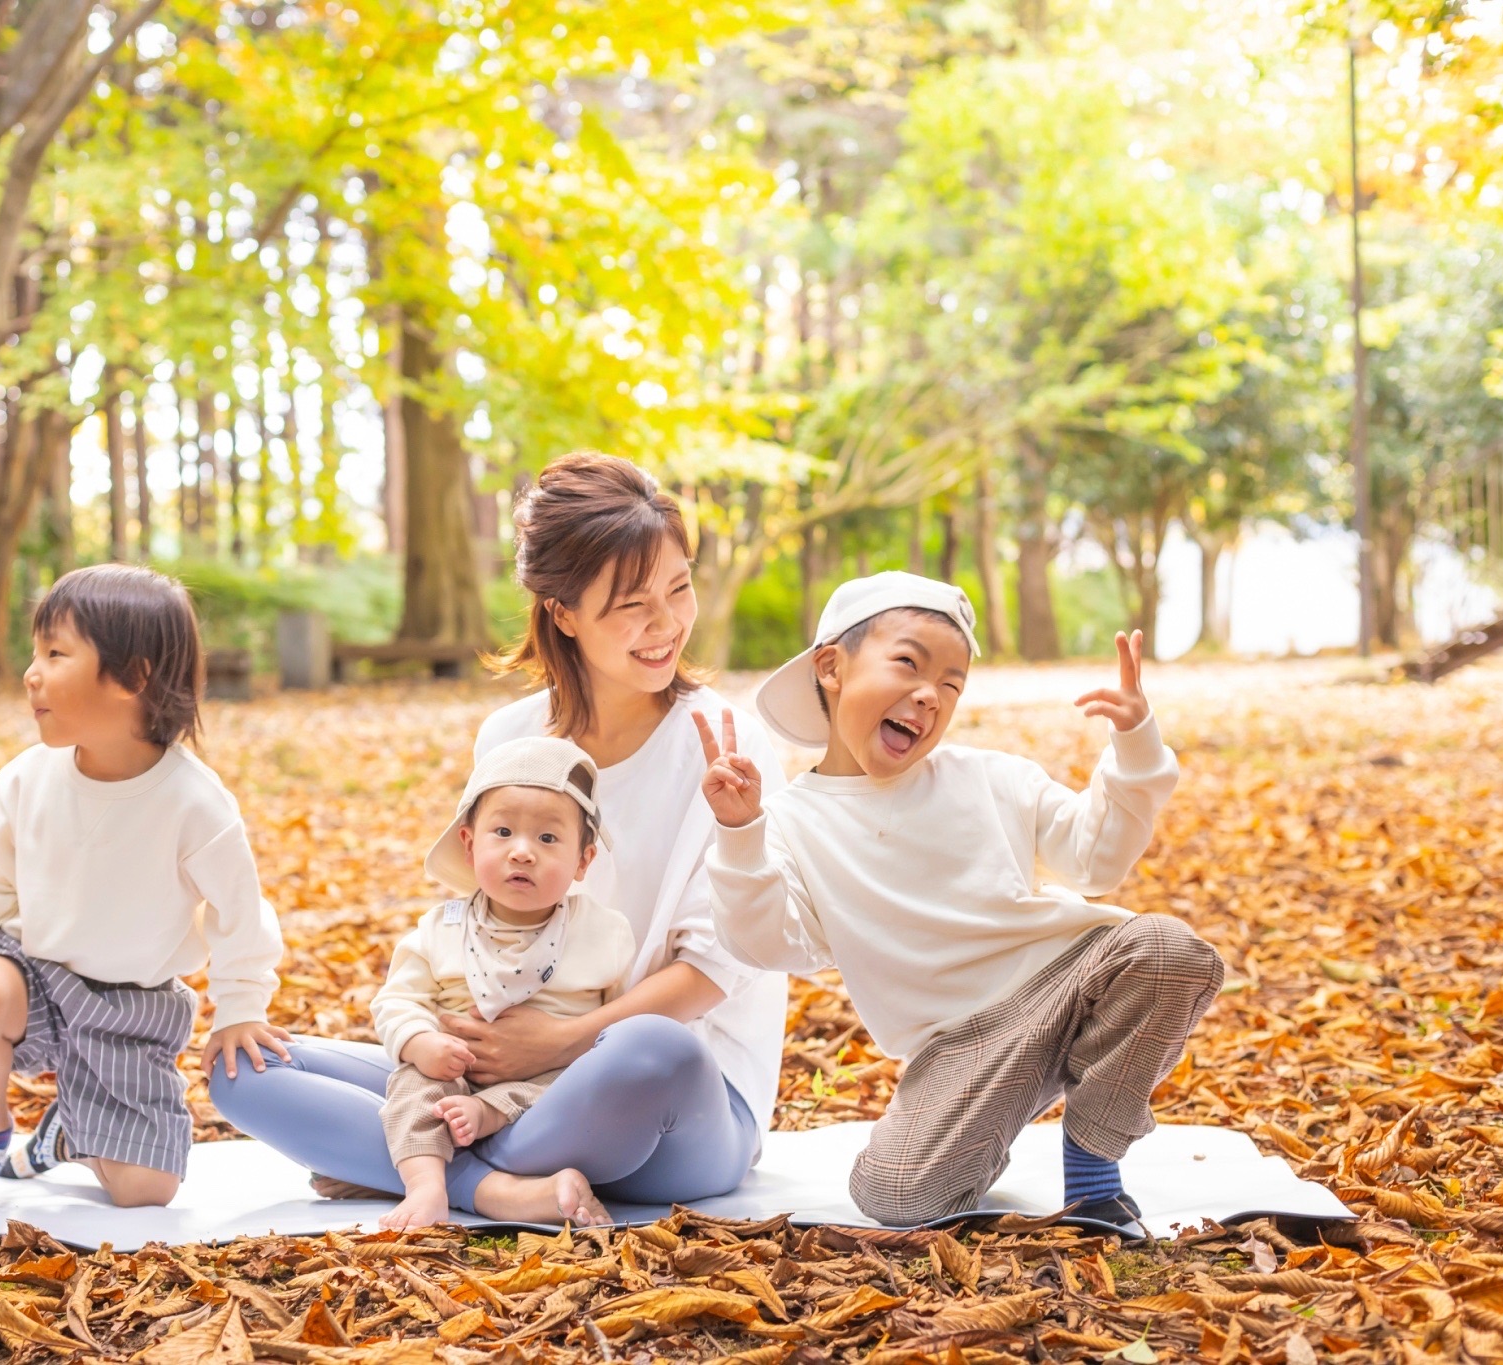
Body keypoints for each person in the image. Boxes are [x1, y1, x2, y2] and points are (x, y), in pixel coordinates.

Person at [209, 453, 789, 1224]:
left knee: (655, 1048)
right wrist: (450, 1048)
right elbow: (484, 922)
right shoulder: (510, 738)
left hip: (672, 1100)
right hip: (499, 1078)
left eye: (679, 589)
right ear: (562, 612)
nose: (667, 623)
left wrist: (560, 1042)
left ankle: (419, 1164)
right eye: (632, 604)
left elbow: (719, 965)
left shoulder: (728, 742)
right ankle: (502, 1187)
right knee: (244, 1068)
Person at [698, 571, 1223, 1234]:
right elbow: (767, 943)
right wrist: (740, 833)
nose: (930, 695)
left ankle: (1092, 1167)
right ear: (831, 666)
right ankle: (998, 1116)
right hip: (958, 1047)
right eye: (908, 663)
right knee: (896, 1195)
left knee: (1169, 951)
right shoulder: (792, 824)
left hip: (1066, 981)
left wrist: (1136, 743)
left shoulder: (991, 777)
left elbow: (1096, 860)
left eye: (951, 685)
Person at [0, 564, 290, 1210]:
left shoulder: (196, 804)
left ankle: (67, 1136)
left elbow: (240, 914)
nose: (30, 674)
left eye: (55, 654)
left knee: (146, 1191)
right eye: (35, 653)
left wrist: (240, 1008)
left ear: (133, 677)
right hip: (32, 968)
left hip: (129, 1006)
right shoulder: (29, 778)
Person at [374, 736, 638, 1229]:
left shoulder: (605, 933)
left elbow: (617, 1026)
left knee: (569, 1083)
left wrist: (583, 1053)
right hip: (453, 1072)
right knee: (412, 1088)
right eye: (502, 832)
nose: (522, 852)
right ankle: (426, 1185)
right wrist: (420, 1042)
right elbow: (397, 1001)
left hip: (547, 1082)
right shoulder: (441, 929)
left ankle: (480, 1128)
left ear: (583, 861)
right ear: (469, 844)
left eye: (548, 838)